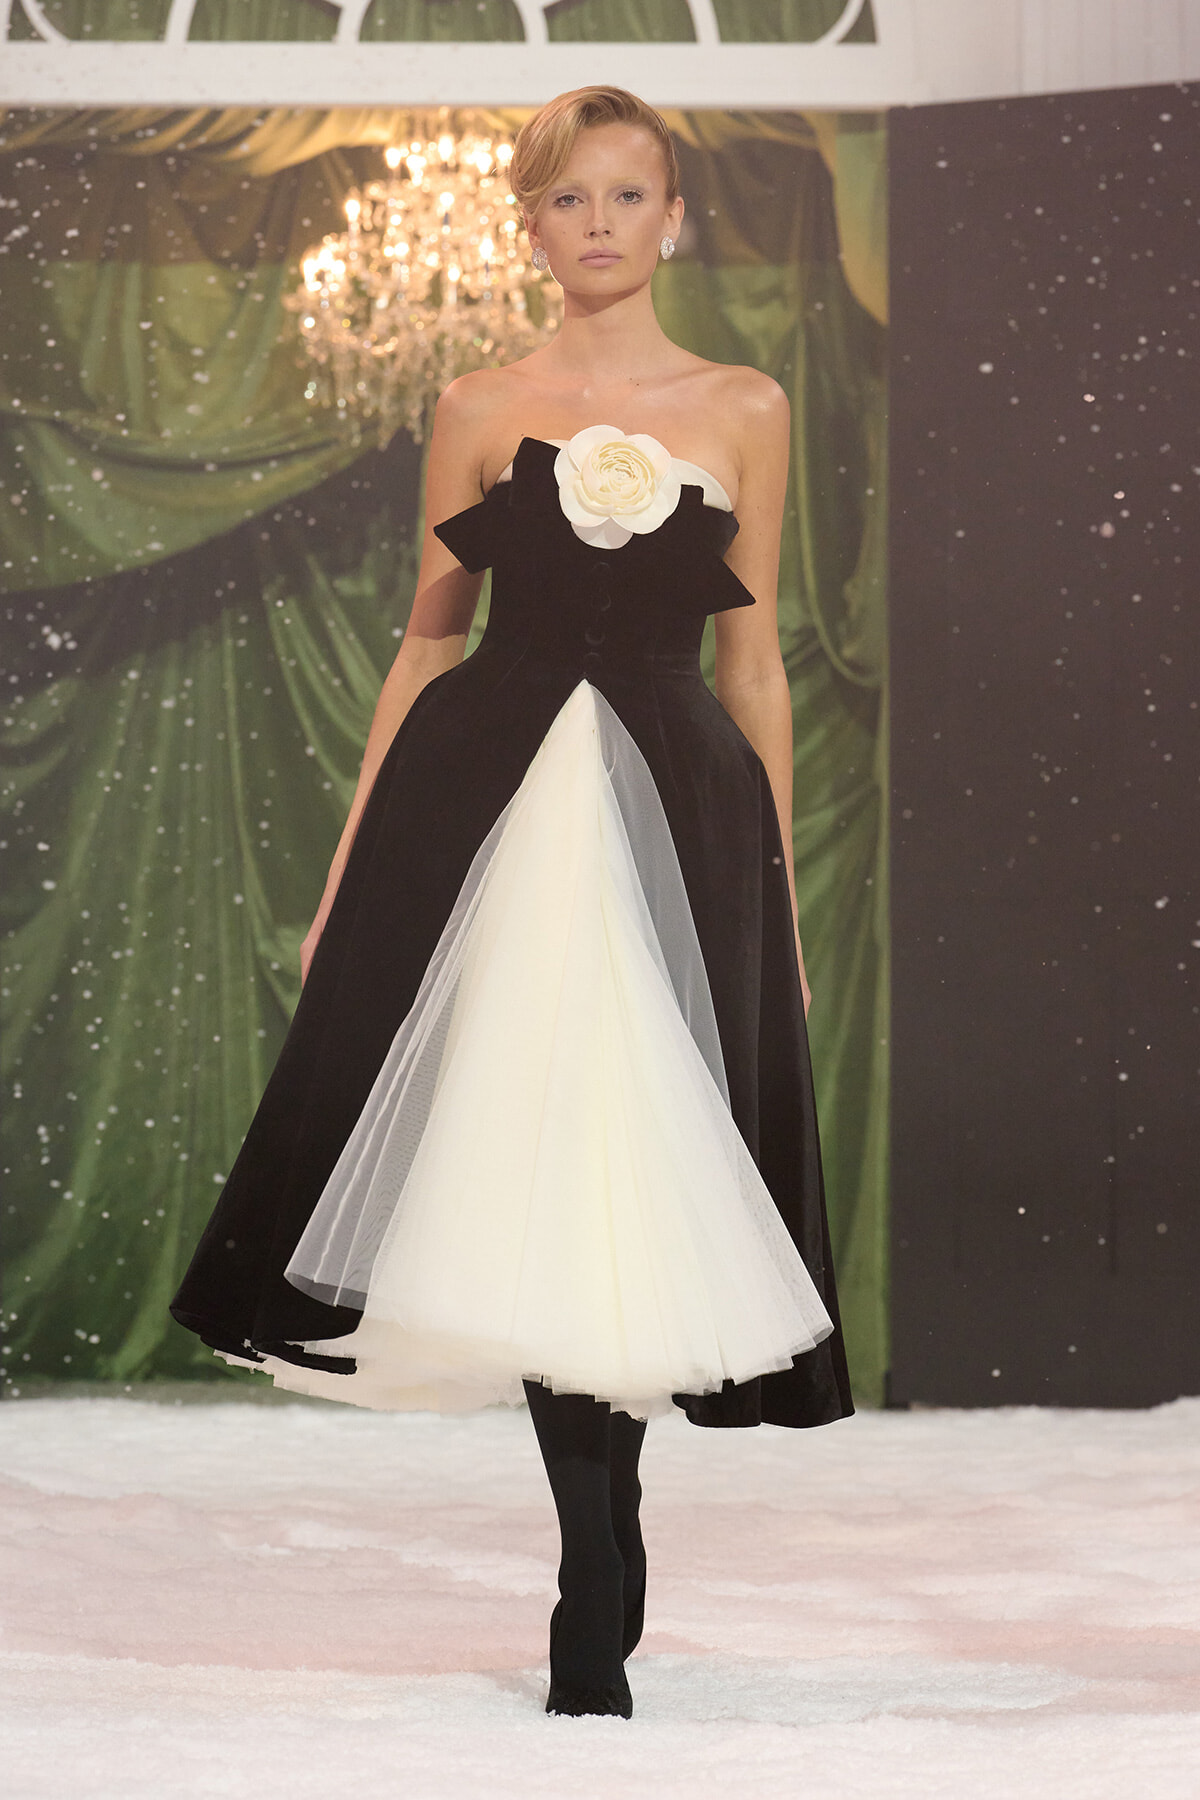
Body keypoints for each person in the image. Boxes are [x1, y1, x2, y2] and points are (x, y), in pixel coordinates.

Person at [171, 85, 853, 1720]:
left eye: (629, 195)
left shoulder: (746, 403)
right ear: (530, 224)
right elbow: (429, 637)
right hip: (488, 809)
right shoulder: (479, 403)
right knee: (525, 1143)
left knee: (632, 1147)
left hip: (675, 811)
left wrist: (779, 897)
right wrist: (353, 859)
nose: (601, 223)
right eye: (569, 199)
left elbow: (753, 666)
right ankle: (592, 1542)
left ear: (674, 217)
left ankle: (599, 1529)